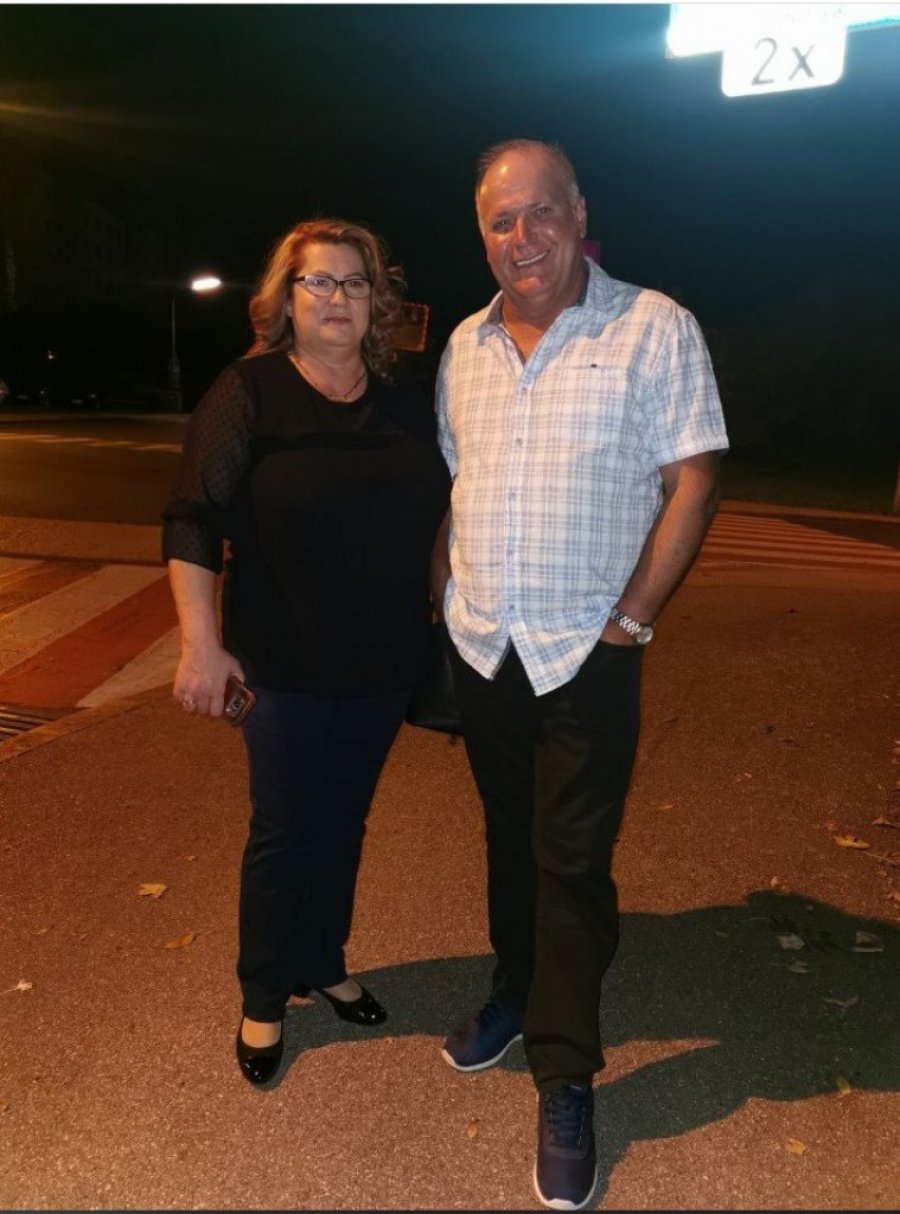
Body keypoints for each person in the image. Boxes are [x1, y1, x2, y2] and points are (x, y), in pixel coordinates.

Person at [432, 140, 728, 1210]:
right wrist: (443, 600)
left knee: (569, 862)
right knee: (509, 839)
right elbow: (459, 484)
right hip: (485, 648)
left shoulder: (653, 326)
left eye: (541, 213)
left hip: (588, 654)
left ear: (579, 213)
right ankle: (516, 992)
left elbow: (695, 477)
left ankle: (565, 1073)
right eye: (501, 221)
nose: (523, 237)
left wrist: (634, 618)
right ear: (484, 235)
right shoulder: (462, 346)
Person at [162, 218, 451, 1087]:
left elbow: (450, 508)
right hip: (279, 664)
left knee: (344, 821)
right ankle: (263, 993)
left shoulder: (407, 402)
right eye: (317, 282)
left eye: (355, 283)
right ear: (285, 300)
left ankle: (321, 960)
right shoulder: (250, 392)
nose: (336, 298)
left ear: (378, 301)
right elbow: (192, 518)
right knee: (285, 828)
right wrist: (201, 644)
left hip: (382, 662)